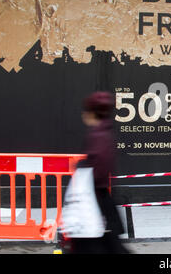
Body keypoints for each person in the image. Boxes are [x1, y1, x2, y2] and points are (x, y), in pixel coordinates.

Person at [70, 91, 129, 254]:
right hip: (100, 201)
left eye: (86, 110)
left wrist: (82, 167)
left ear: (91, 112)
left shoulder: (97, 135)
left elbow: (98, 171)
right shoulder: (106, 133)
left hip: (95, 202)